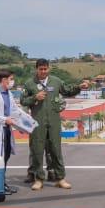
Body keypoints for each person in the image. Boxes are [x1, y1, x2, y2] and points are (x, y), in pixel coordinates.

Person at [21, 58, 88, 190]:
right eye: (41, 69)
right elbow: (23, 101)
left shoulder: (56, 81)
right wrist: (35, 97)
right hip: (37, 122)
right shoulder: (30, 84)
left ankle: (60, 178)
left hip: (54, 121)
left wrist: (79, 87)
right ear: (36, 69)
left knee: (56, 150)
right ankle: (39, 179)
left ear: (49, 68)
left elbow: (67, 91)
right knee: (37, 150)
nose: (43, 71)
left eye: (45, 69)